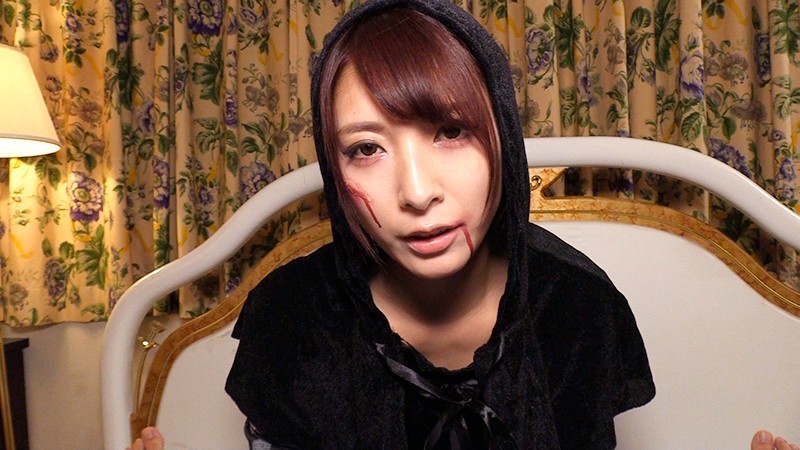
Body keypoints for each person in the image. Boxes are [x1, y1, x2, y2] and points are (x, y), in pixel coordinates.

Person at [128, 0, 799, 448]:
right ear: (334, 169)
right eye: (366, 148)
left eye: (450, 132)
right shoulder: (292, 318)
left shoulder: (577, 309)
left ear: (502, 134)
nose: (417, 192)